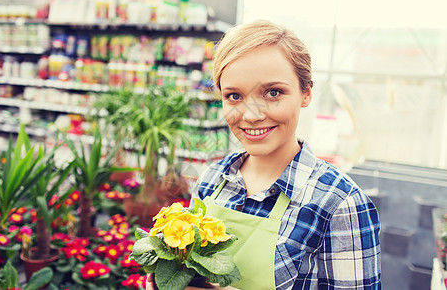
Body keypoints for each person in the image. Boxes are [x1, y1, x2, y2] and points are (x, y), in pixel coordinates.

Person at [146, 19, 381, 290]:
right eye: (234, 96)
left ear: (306, 93)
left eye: (272, 93)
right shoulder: (212, 180)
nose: (252, 114)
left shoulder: (339, 204)